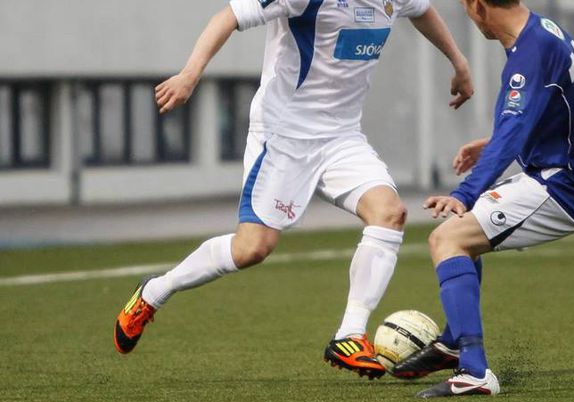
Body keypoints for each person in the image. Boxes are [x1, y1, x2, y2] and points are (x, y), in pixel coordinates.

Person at [113, 0, 474, 380]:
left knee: (390, 213)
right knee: (252, 248)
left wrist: (459, 62)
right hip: (283, 135)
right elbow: (227, 17)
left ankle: (349, 334)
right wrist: (190, 75)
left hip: (342, 137)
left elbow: (422, 11)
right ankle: (155, 292)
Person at [391, 0, 574, 397]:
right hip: (566, 171)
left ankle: (474, 372)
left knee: (447, 239)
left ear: (477, 5)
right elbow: (546, 112)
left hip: (567, 184)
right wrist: (492, 144)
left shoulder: (530, 53)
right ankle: (453, 343)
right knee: (462, 236)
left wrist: (464, 192)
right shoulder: (543, 31)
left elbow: (514, 129)